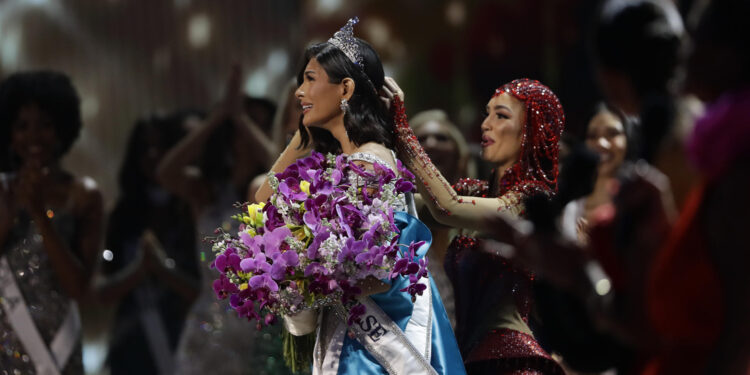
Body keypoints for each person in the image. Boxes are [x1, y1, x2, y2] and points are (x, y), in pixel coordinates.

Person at [256, 18, 465, 375]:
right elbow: (260, 206)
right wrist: (302, 133)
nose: (298, 93)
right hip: (348, 337)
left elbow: (382, 274)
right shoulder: (340, 162)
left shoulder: (371, 161)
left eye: (310, 80)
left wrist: (305, 284)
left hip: (374, 350)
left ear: (345, 89)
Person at [390, 77, 566, 374]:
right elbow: (404, 204)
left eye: (501, 116)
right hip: (469, 361)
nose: (486, 124)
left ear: (531, 130)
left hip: (512, 363)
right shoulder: (480, 193)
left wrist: (403, 133)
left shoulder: (531, 199)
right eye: (487, 113)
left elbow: (448, 207)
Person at [159, 67, 289, 375]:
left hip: (259, 329)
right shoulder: (207, 191)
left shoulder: (274, 192)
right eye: (241, 127)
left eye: (258, 126)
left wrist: (241, 119)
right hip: (207, 329)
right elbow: (167, 172)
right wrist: (217, 118)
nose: (245, 134)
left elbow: (283, 173)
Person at [0, 71, 103, 374]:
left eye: (45, 124)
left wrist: (39, 214)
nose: (33, 137)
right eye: (22, 126)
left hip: (59, 346)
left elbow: (79, 289)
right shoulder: (1, 191)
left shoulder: (84, 195)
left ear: (62, 127)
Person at [96, 113, 201, 375]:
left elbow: (208, 291)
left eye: (160, 146)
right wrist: (140, 270)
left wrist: (164, 270)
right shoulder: (122, 215)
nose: (153, 155)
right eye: (145, 148)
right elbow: (102, 292)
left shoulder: (193, 210)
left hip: (187, 345)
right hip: (131, 350)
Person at [410, 109, 472, 327]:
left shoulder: (477, 208)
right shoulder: (396, 215)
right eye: (421, 139)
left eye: (442, 138)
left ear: (459, 154)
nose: (431, 145)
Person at [560, 103, 632, 245]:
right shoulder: (570, 210)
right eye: (592, 136)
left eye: (612, 133)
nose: (602, 144)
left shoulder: (636, 202)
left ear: (629, 140)